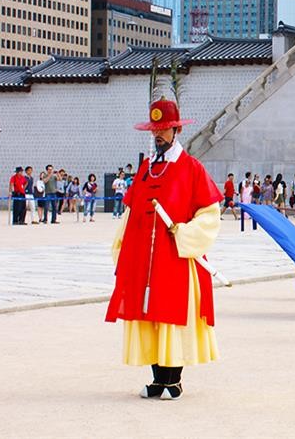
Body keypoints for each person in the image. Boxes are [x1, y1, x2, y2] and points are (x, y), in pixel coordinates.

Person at [106, 98, 223, 400]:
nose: (157, 135)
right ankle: (157, 378)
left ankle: (174, 380)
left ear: (175, 130)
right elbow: (132, 211)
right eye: (154, 130)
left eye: (163, 130)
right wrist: (122, 246)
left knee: (172, 315)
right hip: (145, 257)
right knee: (148, 314)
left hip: (175, 256)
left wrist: (184, 233)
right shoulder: (146, 169)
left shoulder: (191, 168)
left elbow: (210, 213)